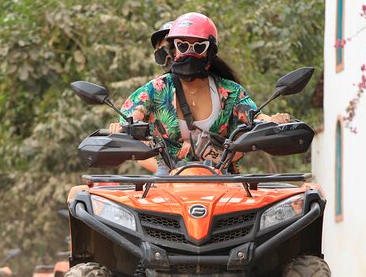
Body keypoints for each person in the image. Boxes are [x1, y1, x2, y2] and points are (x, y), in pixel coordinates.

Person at [109, 12, 289, 172]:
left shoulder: (229, 91)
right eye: (183, 46)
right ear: (173, 50)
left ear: (209, 52)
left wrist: (272, 120)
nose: (190, 53)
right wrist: (118, 129)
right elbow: (129, 121)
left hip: (220, 178)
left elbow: (253, 116)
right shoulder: (156, 90)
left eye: (198, 47)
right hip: (169, 178)